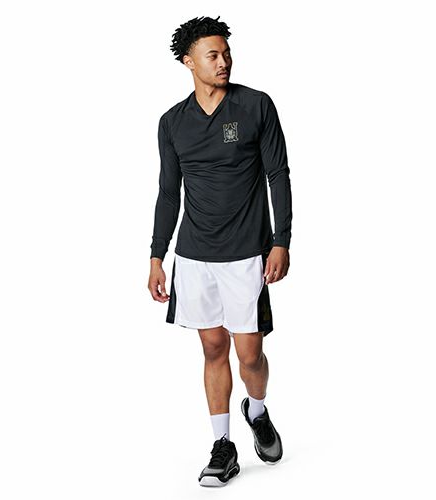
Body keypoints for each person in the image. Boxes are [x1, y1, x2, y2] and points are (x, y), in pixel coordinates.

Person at [147, 15, 293, 487]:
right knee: (212, 347)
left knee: (249, 354)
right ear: (188, 62)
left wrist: (281, 241)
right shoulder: (172, 122)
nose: (223, 61)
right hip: (194, 255)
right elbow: (169, 193)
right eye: (212, 55)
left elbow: (277, 175)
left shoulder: (255, 106)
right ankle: (222, 445)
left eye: (226, 53)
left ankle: (258, 410)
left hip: (247, 253)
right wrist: (156, 255)